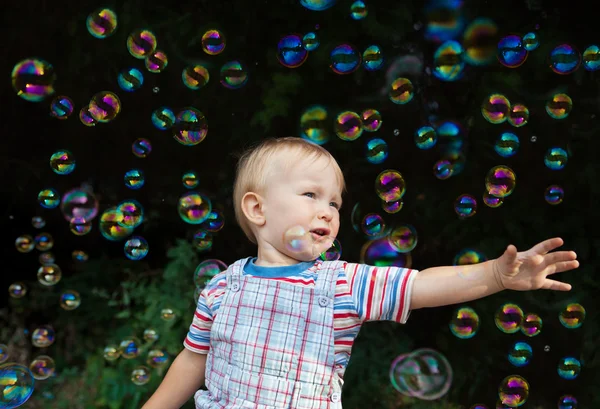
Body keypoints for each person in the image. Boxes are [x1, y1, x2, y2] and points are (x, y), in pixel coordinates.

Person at [141, 137, 579, 409]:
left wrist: (497, 276)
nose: (327, 210)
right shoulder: (222, 287)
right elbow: (195, 358)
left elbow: (423, 285)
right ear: (257, 209)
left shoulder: (342, 284)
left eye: (333, 202)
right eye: (311, 194)